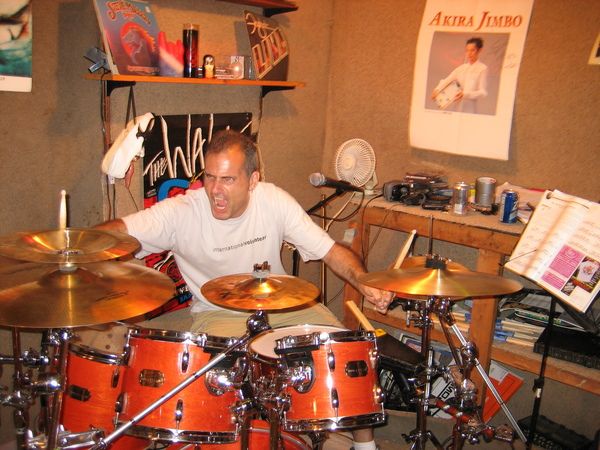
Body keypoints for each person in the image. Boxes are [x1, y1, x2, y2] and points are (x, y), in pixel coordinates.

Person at [95, 129, 393, 450]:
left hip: (284, 304)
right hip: (218, 313)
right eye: (210, 177)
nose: (215, 190)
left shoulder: (273, 200)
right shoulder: (182, 212)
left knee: (346, 351)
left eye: (228, 180)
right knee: (223, 381)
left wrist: (362, 279)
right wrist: (82, 249)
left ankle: (365, 446)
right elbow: (114, 233)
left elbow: (331, 250)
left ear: (253, 180)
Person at [431, 37, 488, 114]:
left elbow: (483, 92)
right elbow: (447, 80)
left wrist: (465, 94)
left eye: (472, 50)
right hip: (457, 108)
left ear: (479, 50)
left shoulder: (482, 68)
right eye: (467, 50)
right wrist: (437, 89)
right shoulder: (461, 68)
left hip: (470, 109)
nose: (469, 53)